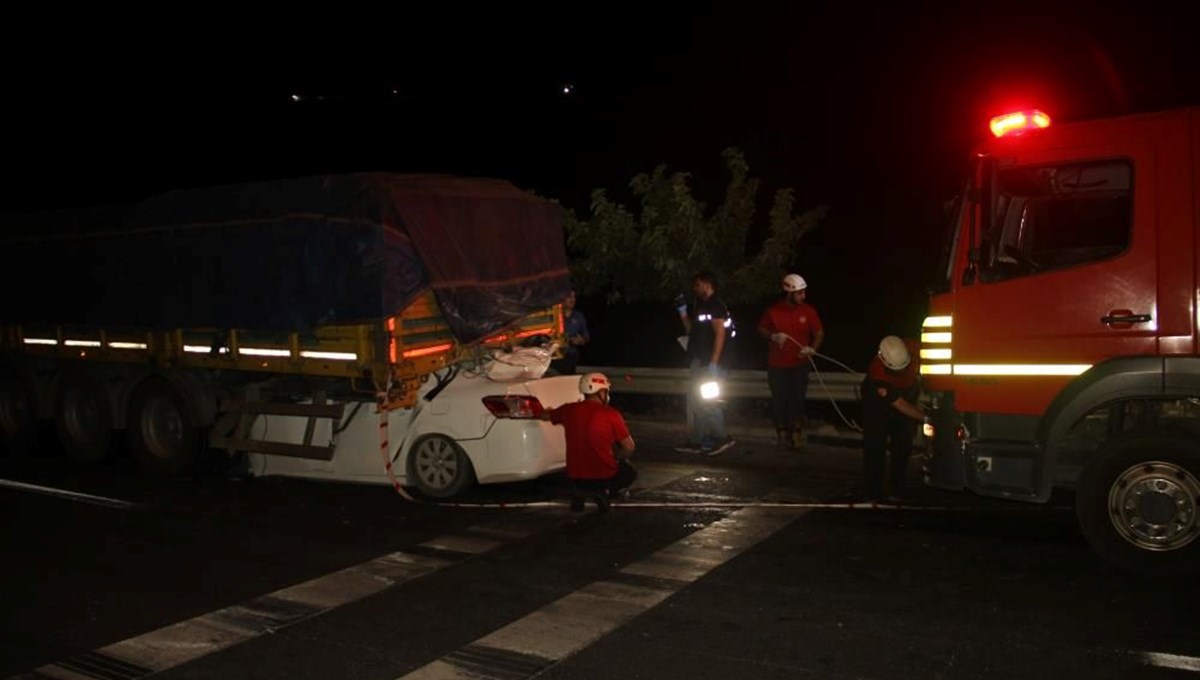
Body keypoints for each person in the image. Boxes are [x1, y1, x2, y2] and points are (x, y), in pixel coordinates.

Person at [539, 372, 637, 512]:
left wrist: (546, 411)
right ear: (600, 392)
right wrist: (618, 458)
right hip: (602, 475)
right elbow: (629, 447)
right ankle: (609, 492)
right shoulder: (611, 414)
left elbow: (544, 415)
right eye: (605, 391)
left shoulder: (568, 410)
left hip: (575, 475)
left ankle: (580, 492)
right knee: (630, 471)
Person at [757, 273, 825, 449]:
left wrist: (812, 348)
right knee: (779, 399)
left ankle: (796, 434)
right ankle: (782, 434)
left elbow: (818, 332)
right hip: (777, 365)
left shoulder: (808, 311)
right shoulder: (772, 311)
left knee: (797, 399)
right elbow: (761, 329)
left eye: (804, 292)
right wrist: (773, 336)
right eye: (799, 293)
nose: (803, 296)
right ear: (789, 293)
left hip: (800, 364)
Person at [673, 271, 735, 455]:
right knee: (697, 401)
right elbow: (693, 332)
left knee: (709, 402)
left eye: (697, 285)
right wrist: (683, 314)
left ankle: (722, 437)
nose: (695, 288)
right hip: (699, 360)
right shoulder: (703, 306)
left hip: (710, 363)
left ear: (707, 284)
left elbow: (720, 334)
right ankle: (696, 441)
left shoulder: (716, 305)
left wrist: (713, 363)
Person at [860, 335, 925, 502]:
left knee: (903, 442)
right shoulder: (878, 376)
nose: (901, 371)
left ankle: (897, 486)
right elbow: (900, 404)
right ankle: (873, 491)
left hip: (907, 391)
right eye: (897, 370)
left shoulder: (916, 347)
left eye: (904, 367)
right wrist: (930, 419)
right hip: (879, 402)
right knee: (875, 444)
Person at [550, 289, 590, 375]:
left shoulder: (579, 316)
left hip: (570, 354)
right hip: (553, 354)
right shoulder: (554, 314)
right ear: (562, 299)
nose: (572, 299)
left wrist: (581, 340)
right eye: (569, 297)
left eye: (574, 297)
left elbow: (586, 337)